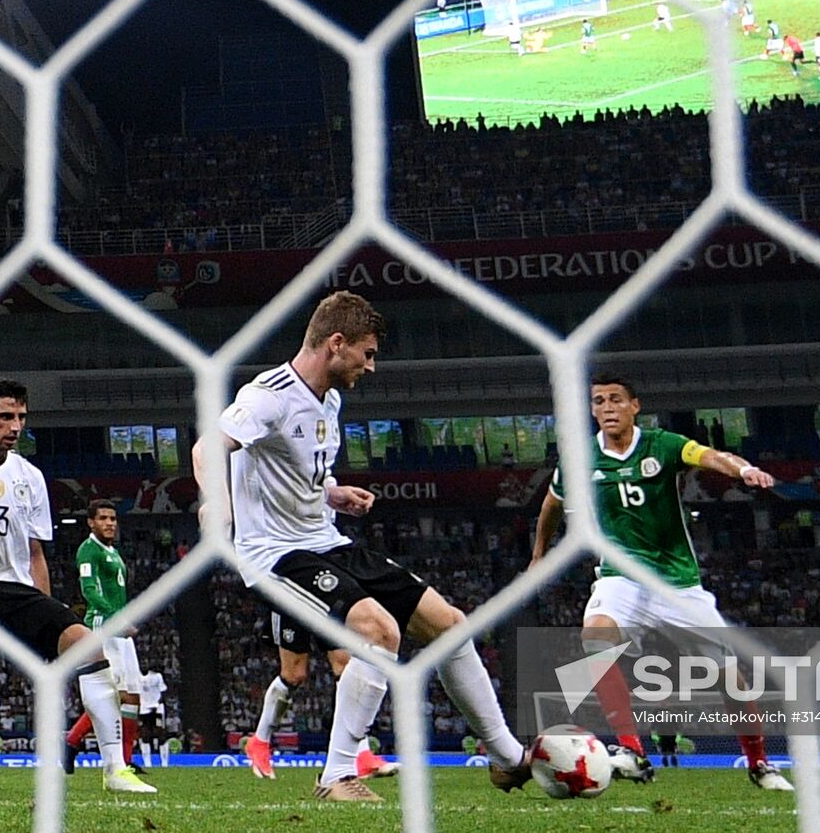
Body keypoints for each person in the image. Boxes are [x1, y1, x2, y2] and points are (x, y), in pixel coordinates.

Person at [193, 292, 529, 803]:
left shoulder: (328, 398)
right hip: (276, 555)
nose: (371, 366)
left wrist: (332, 493)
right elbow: (205, 448)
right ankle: (336, 777)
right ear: (336, 343)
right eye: (366, 353)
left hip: (326, 539)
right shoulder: (269, 395)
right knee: (378, 631)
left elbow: (295, 469)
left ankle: (507, 758)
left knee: (450, 624)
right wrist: (215, 507)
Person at [530, 373, 793, 792]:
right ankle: (633, 751)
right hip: (621, 576)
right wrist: (539, 553)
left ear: (635, 406)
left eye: (616, 399)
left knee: (727, 675)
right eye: (598, 401)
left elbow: (711, 456)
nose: (607, 408)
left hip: (676, 580)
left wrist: (743, 469)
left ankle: (760, 762)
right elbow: (552, 502)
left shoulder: (663, 444)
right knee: (594, 637)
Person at [0, 379, 154, 793]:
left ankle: (116, 769)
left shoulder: (31, 476)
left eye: (21, 417)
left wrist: (44, 611)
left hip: (16, 589)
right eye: (5, 417)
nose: (15, 426)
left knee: (87, 643)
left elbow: (35, 552)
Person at [246, 615, 398, 782]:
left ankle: (361, 754)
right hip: (293, 595)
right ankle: (259, 742)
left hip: (326, 597)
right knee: (294, 674)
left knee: (345, 665)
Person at [63, 499, 144, 775]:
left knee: (133, 698)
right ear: (91, 522)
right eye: (103, 518)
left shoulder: (112, 551)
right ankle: (76, 744)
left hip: (120, 632)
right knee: (116, 695)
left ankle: (124, 757)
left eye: (113, 518)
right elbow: (89, 590)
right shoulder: (88, 550)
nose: (110, 523)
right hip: (103, 627)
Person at [137, 669, 169, 768]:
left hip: (157, 708)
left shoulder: (157, 676)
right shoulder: (136, 677)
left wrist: (157, 704)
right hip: (144, 709)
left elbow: (163, 692)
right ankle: (147, 763)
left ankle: (164, 763)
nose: (144, 665)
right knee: (145, 734)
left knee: (160, 733)